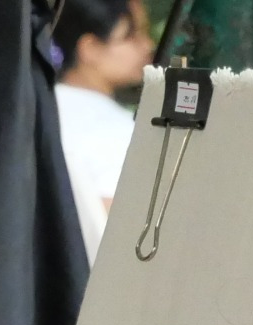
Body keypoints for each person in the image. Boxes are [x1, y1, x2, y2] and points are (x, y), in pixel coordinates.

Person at [51, 0, 148, 263]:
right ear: (90, 48)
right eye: (130, 36)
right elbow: (123, 234)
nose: (146, 46)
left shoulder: (34, 108)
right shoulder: (118, 130)